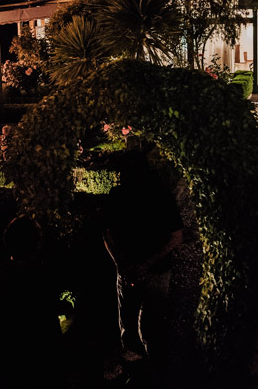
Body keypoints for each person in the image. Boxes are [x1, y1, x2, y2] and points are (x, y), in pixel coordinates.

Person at [103, 150, 183, 366]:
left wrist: (122, 263)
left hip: (132, 268)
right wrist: (147, 263)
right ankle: (151, 363)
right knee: (150, 322)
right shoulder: (162, 195)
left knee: (130, 321)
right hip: (154, 269)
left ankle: (135, 364)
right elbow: (176, 236)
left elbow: (107, 234)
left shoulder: (117, 195)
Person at [0, 216, 64, 388]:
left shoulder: (2, 273)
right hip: (36, 363)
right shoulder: (33, 277)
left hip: (15, 363)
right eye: (38, 239)